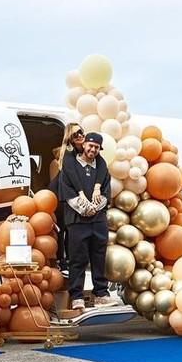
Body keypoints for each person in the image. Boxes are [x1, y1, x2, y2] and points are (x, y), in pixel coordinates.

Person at [57, 131, 117, 312]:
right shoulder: (70, 167)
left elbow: (106, 193)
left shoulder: (102, 169)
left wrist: (95, 208)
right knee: (78, 259)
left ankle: (101, 294)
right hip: (77, 221)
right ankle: (76, 296)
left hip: (98, 221)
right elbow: (67, 193)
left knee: (99, 258)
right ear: (83, 145)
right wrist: (84, 208)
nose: (93, 150)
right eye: (90, 146)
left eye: (97, 148)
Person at [47, 123, 86, 274]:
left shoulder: (81, 151)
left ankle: (67, 260)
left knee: (70, 228)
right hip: (60, 194)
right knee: (64, 228)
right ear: (70, 137)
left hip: (68, 193)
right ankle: (62, 261)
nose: (80, 135)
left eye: (81, 132)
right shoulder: (69, 153)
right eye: (76, 134)